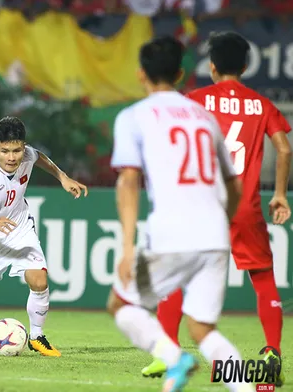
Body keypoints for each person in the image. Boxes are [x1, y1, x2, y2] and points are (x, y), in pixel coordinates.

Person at [142, 32, 291, 387]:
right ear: (244, 66)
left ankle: (169, 353)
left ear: (211, 66)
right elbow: (284, 149)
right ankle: (271, 351)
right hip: (245, 206)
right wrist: (281, 194)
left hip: (201, 204)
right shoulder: (262, 104)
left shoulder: (195, 100)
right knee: (263, 278)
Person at [107, 36, 253, 392]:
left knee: (121, 305)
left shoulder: (134, 116)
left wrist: (127, 246)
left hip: (172, 232)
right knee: (203, 329)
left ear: (141, 74)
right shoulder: (204, 116)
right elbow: (234, 185)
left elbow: (128, 180)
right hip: (215, 235)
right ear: (181, 73)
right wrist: (224, 221)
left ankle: (175, 359)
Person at [0, 116, 88, 357]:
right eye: (5, 151)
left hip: (20, 229)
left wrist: (62, 177)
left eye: (16, 150)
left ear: (23, 146)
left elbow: (39, 157)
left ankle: (37, 336)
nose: (12, 157)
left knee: (39, 281)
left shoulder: (27, 155)